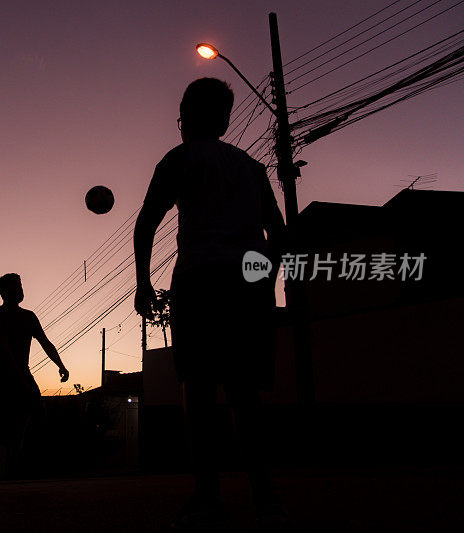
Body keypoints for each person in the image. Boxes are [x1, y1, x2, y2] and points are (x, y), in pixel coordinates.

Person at [133, 78, 291, 531]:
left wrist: (143, 283)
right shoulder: (251, 167)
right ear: (223, 119)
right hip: (245, 287)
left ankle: (207, 498)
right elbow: (278, 237)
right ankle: (267, 499)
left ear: (185, 115)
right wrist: (260, 282)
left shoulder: (178, 159)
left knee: (199, 392)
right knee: (245, 395)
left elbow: (147, 223)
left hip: (199, 280)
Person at [0, 273, 69, 494]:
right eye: (17, 286)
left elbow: (45, 342)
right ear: (5, 292)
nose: (21, 290)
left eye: (21, 285)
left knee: (37, 412)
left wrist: (60, 365)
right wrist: (19, 376)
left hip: (22, 374)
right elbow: (2, 349)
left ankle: (22, 461)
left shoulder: (29, 317)